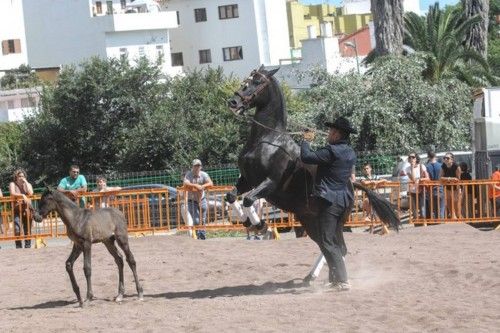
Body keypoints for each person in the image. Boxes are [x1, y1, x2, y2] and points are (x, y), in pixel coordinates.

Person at [300, 116, 357, 291]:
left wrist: (305, 141)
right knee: (331, 240)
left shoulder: (331, 151)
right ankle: (335, 279)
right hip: (344, 199)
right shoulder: (350, 152)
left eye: (332, 131)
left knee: (326, 241)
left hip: (329, 201)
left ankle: (342, 280)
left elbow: (307, 157)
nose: (329, 133)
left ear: (338, 134)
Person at [183, 159, 213, 240]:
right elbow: (185, 183)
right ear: (192, 167)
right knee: (196, 220)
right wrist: (195, 185)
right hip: (191, 201)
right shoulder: (188, 174)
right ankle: (197, 234)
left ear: (201, 167)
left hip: (202, 199)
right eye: (195, 166)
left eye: (198, 166)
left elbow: (211, 183)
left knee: (203, 219)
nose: (197, 167)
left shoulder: (204, 174)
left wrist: (202, 186)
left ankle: (202, 236)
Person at [9, 169, 34, 248]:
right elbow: (12, 193)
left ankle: (28, 246)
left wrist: (26, 182)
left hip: (27, 210)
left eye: (23, 176)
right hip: (16, 210)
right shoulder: (12, 184)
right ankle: (18, 246)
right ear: (16, 177)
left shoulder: (28, 184)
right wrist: (22, 195)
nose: (21, 178)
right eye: (19, 176)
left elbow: (31, 193)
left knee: (27, 230)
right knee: (17, 229)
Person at [404, 152, 429, 220]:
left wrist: (421, 179)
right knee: (414, 209)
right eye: (410, 157)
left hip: (421, 189)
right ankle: (416, 223)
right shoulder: (407, 169)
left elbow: (427, 178)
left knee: (422, 208)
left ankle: (423, 222)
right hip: (412, 191)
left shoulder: (422, 166)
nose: (411, 159)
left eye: (413, 157)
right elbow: (413, 179)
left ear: (416, 158)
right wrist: (412, 167)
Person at [440, 153, 461, 219]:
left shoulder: (456, 166)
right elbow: (440, 178)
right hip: (447, 187)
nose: (446, 159)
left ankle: (458, 216)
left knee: (456, 203)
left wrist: (447, 179)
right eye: (444, 158)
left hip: (455, 187)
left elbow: (458, 179)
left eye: (448, 158)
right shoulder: (443, 166)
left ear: (452, 159)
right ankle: (453, 216)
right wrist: (450, 178)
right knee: (448, 202)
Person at [425, 151, 445, 219]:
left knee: (434, 208)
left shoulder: (427, 167)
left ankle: (435, 221)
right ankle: (441, 221)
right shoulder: (441, 165)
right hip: (440, 188)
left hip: (431, 190)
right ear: (435, 156)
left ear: (428, 157)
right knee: (441, 207)